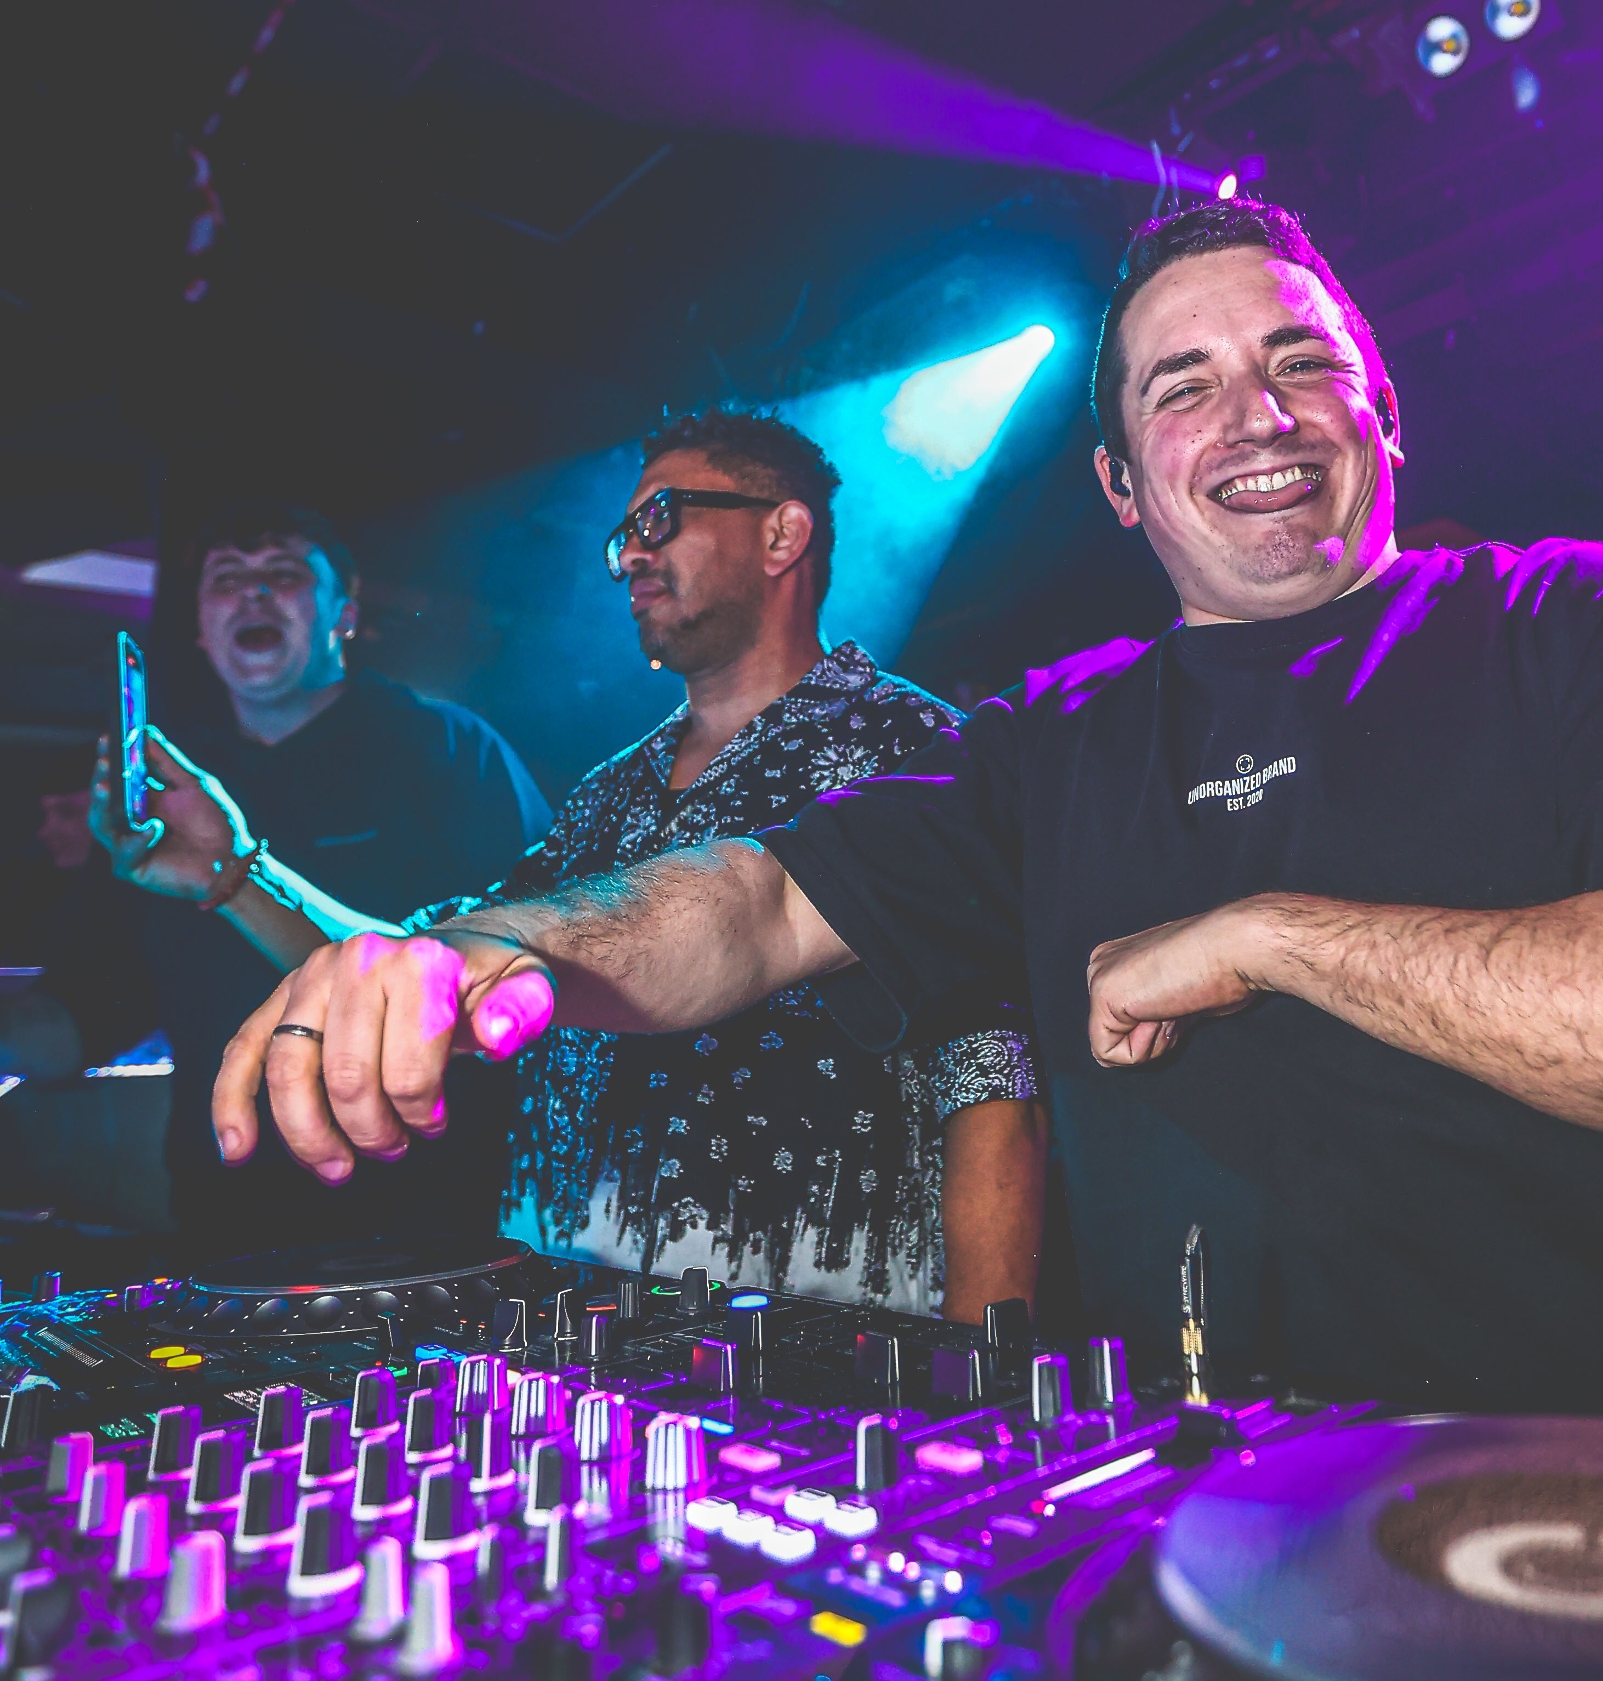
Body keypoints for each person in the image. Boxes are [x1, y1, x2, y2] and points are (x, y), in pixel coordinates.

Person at [214, 205, 1603, 1426]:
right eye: (1184, 386)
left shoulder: (1583, 624)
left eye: (1303, 362)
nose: (1260, 414)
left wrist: (1268, 939)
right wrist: (466, 949)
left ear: (1382, 413)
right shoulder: (1052, 744)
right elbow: (753, 905)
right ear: (1122, 487)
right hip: (1197, 1508)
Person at [113, 420, 1044, 1318]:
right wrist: (235, 871)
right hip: (570, 1323)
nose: (630, 555)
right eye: (621, 538)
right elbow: (424, 968)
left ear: (781, 534)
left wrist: (985, 1374)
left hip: (814, 1332)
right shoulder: (608, 790)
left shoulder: (914, 747)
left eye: (659, 518)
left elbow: (991, 1071)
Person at [96, 500, 549, 1253]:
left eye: (283, 573)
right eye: (226, 579)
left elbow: (494, 971)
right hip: (225, 1217)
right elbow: (89, 1002)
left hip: (429, 1211)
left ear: (345, 615)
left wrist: (237, 875)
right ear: (200, 631)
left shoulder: (446, 748)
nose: (253, 593)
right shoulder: (169, 791)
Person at [0, 761, 156, 1083]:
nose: (46, 831)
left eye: (67, 813)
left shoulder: (144, 892)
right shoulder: (39, 882)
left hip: (85, 1037)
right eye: (45, 816)